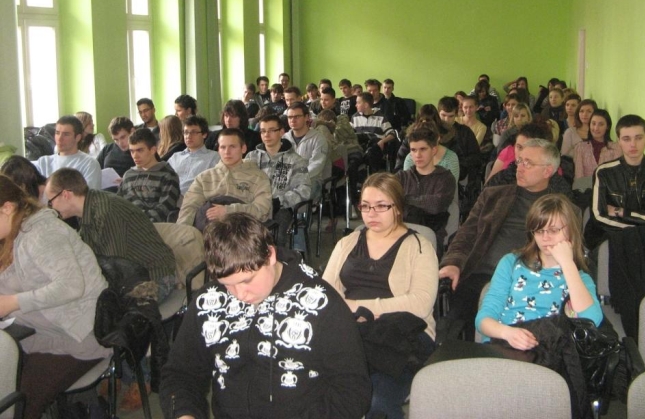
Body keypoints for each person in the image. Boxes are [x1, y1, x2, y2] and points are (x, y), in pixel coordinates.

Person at [160, 213, 372, 419]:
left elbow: (353, 390)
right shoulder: (208, 301)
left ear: (270, 255)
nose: (240, 295)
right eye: (227, 285)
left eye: (246, 280)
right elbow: (181, 374)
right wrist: (184, 413)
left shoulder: (321, 303)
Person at [323, 173, 438, 419]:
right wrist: (350, 315)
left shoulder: (419, 247)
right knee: (320, 390)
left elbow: (420, 304)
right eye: (365, 206)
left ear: (398, 208)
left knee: (377, 402)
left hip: (403, 335)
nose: (371, 213)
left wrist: (358, 307)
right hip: (353, 330)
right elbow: (325, 293)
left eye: (381, 206)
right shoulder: (347, 243)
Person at [0, 175, 109, 419]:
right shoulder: (12, 232)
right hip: (45, 330)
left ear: (7, 208)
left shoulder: (41, 233)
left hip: (78, 336)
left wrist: (11, 303)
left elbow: (70, 286)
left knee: (17, 404)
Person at [439, 139, 562, 340]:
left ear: (547, 171)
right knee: (453, 325)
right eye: (519, 161)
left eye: (528, 163)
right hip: (482, 273)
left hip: (530, 280)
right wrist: (453, 262)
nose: (519, 168)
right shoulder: (493, 196)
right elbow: (466, 234)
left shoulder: (561, 210)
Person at [476, 194, 603, 348]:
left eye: (553, 230)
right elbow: (483, 320)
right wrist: (507, 333)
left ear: (570, 231)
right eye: (539, 231)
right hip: (506, 344)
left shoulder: (579, 278)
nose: (545, 238)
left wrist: (567, 264)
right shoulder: (511, 263)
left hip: (549, 351)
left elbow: (591, 320)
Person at [44, 168, 178, 300]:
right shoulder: (86, 209)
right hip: (131, 274)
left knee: (103, 308)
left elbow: (115, 267)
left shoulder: (106, 211)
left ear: (66, 195)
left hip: (154, 277)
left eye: (51, 201)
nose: (51, 208)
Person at [590, 114, 645, 236]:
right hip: (615, 237)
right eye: (626, 139)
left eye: (638, 138)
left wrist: (620, 212)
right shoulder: (603, 173)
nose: (633, 144)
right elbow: (598, 218)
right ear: (619, 141)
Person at [177, 128, 272, 227]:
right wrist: (184, 232)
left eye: (232, 147)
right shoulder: (204, 178)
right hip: (206, 230)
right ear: (218, 150)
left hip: (242, 230)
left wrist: (228, 211)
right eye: (223, 147)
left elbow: (262, 211)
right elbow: (189, 208)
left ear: (243, 148)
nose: (227, 152)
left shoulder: (259, 177)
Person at [245, 115, 312, 247]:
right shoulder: (251, 158)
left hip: (281, 208)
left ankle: (276, 258)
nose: (266, 135)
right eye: (263, 131)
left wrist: (279, 201)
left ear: (281, 132)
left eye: (271, 130)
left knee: (275, 236)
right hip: (253, 205)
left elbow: (304, 190)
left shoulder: (295, 160)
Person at [396, 125, 456, 246]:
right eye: (413, 150)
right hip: (400, 234)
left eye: (423, 149)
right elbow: (390, 202)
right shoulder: (402, 177)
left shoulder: (446, 178)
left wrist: (405, 199)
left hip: (430, 237)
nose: (417, 155)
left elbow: (436, 205)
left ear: (434, 150)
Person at [118, 128, 180, 222]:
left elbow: (164, 210)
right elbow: (118, 205)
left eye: (140, 150)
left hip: (154, 226)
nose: (135, 156)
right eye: (132, 151)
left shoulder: (168, 175)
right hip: (126, 225)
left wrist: (136, 221)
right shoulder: (128, 175)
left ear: (153, 150)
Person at [33, 115, 102, 190]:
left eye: (66, 134)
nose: (60, 138)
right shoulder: (43, 162)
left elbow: (89, 195)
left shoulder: (89, 164)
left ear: (77, 138)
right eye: (57, 133)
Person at [283, 101, 331, 199]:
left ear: (307, 117)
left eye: (297, 116)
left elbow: (316, 165)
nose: (292, 120)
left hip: (311, 180)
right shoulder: (284, 139)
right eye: (290, 117)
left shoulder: (318, 139)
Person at [168, 115, 221, 195]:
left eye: (193, 132)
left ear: (204, 134)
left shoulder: (214, 157)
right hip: (170, 197)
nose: (188, 136)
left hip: (195, 198)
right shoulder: (175, 157)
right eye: (186, 132)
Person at [352, 92, 396, 173]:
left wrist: (382, 141)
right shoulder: (355, 117)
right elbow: (349, 134)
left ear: (366, 105)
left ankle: (372, 175)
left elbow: (392, 134)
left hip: (376, 146)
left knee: (371, 152)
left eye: (358, 103)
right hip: (360, 146)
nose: (356, 105)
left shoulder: (381, 117)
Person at [573, 109, 622, 179]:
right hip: (585, 185)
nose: (596, 128)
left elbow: (617, 176)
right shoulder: (580, 147)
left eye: (601, 124)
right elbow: (578, 176)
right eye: (593, 123)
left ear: (607, 126)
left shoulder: (616, 148)